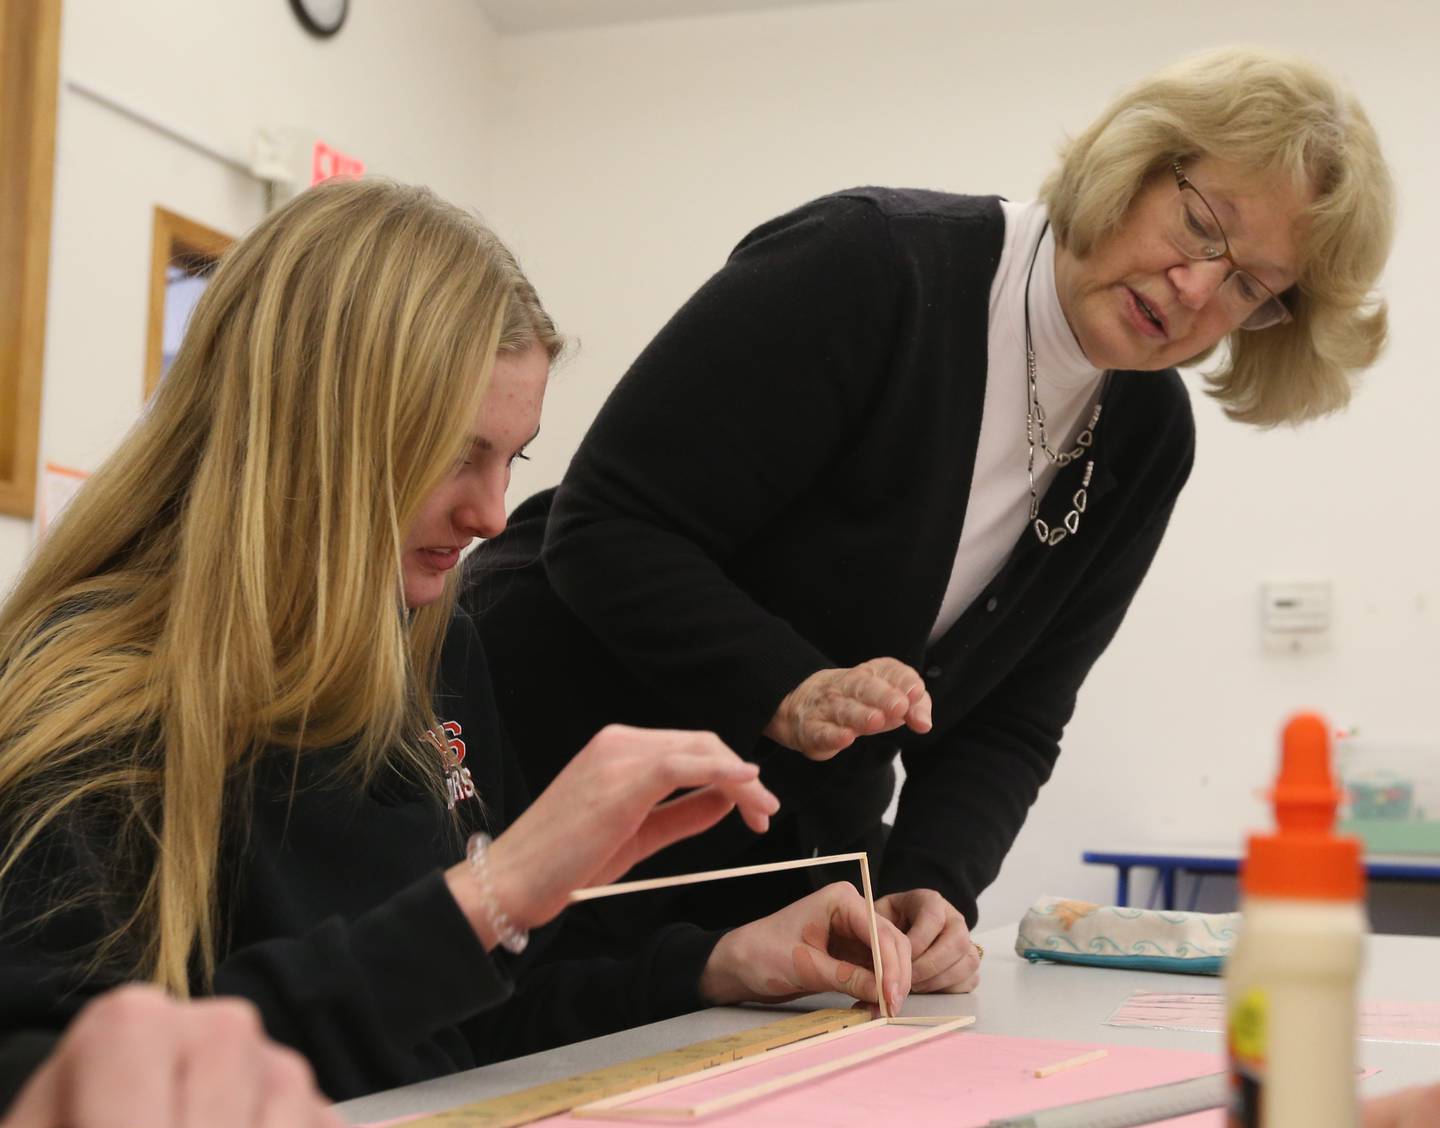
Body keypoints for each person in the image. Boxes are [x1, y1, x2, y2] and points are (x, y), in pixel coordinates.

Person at [464, 44, 1396, 989]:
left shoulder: (1149, 435)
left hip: (771, 855)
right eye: (1201, 224)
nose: (1199, 288)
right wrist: (790, 689)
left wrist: (929, 886)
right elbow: (609, 526)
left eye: (1249, 286)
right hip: (544, 781)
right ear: (1136, 163)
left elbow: (1015, 718)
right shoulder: (869, 264)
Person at [0, 178, 915, 1123]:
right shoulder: (88, 697)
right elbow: (94, 1083)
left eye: (509, 459)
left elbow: (477, 1027)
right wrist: (493, 893)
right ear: (315, 431)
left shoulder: (438, 652)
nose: (488, 515)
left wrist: (714, 964)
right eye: (451, 451)